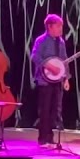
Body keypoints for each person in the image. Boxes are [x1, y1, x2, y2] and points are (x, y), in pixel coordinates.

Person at [30, 14, 69, 147]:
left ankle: (50, 137)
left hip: (57, 81)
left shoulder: (61, 42)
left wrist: (66, 78)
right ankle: (42, 138)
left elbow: (64, 60)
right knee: (44, 109)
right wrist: (49, 66)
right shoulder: (41, 40)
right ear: (50, 27)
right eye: (58, 26)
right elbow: (34, 56)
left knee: (54, 110)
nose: (61, 29)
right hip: (44, 80)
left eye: (61, 26)